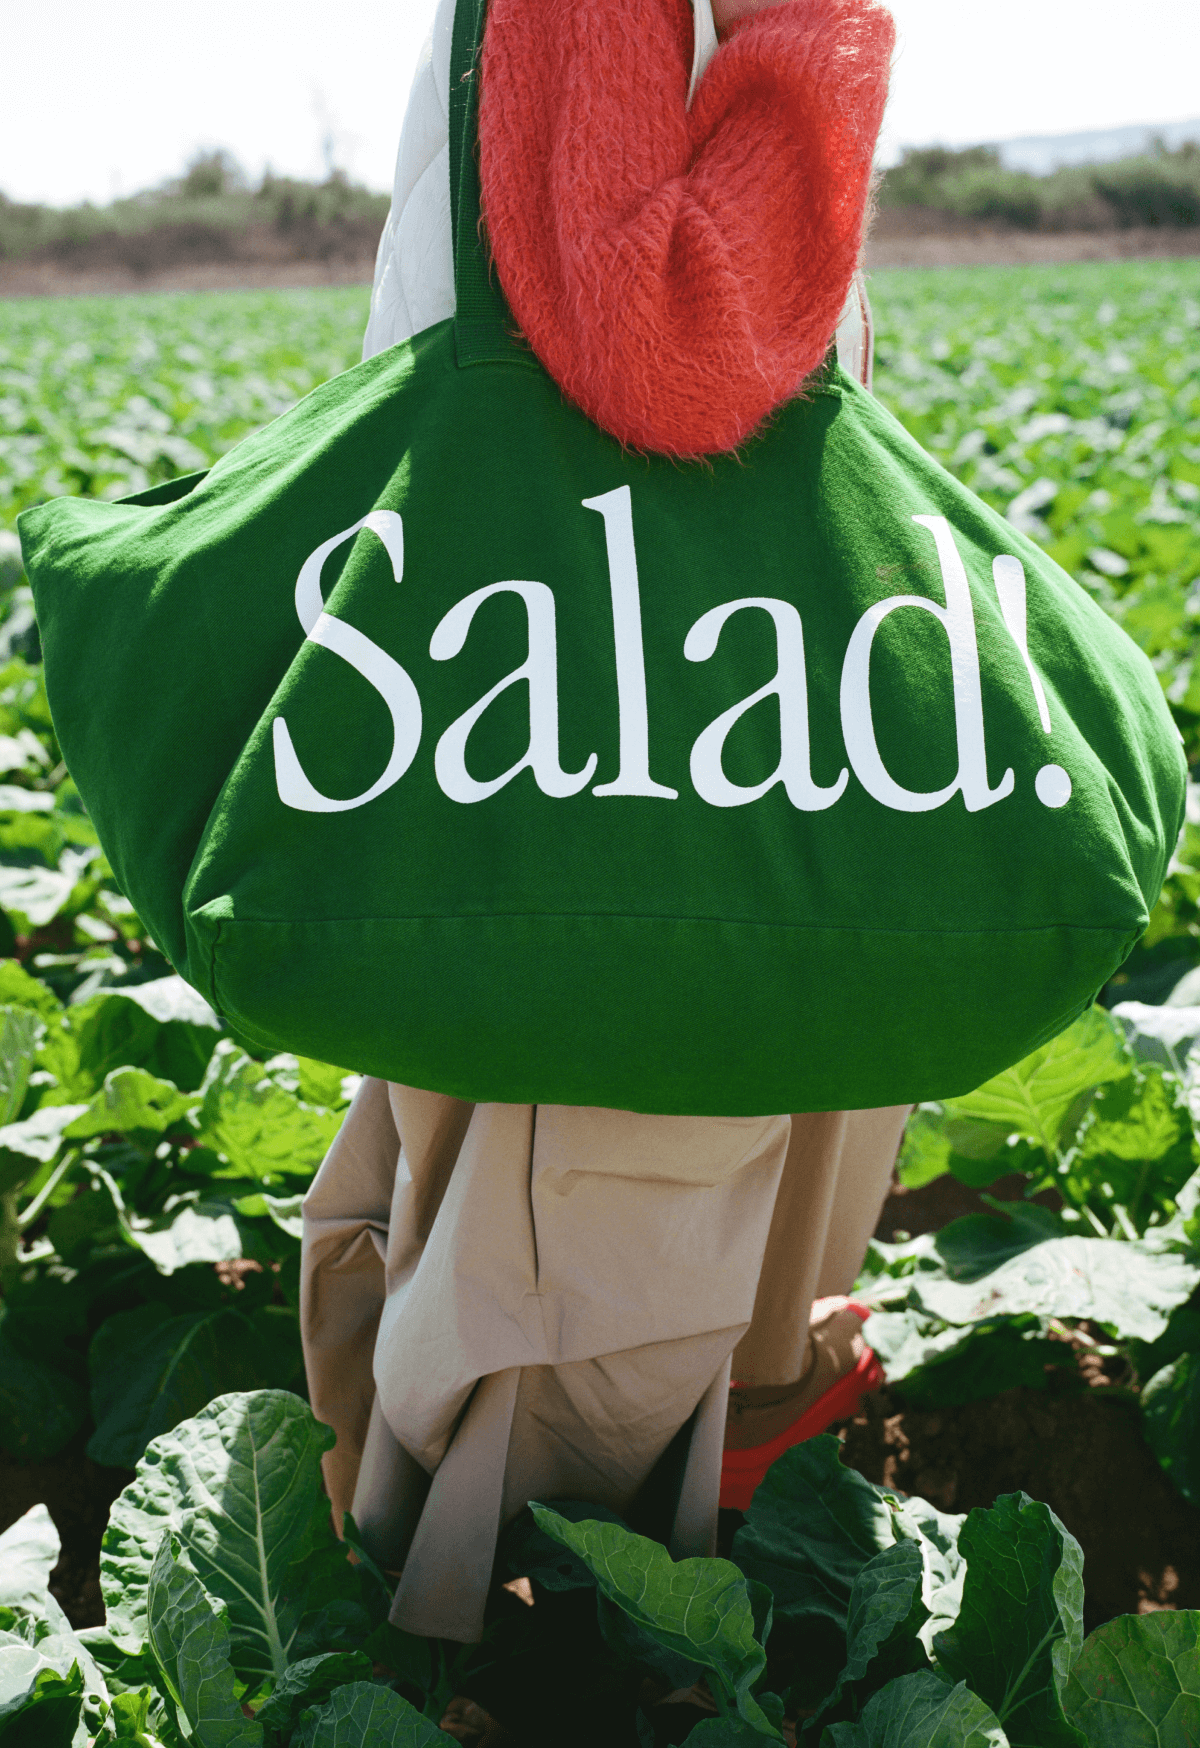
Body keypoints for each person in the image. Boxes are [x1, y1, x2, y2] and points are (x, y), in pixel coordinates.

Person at [301, 0, 903, 1647]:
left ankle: (500, 1600)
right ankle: (516, 1630)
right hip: (632, 666)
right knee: (601, 1193)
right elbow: (667, 330)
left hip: (552, 656)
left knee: (532, 1145)